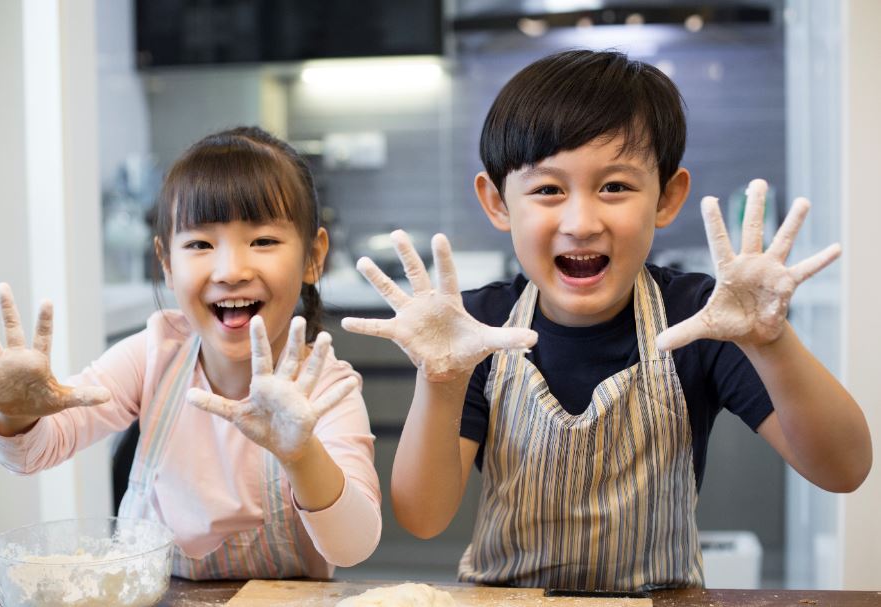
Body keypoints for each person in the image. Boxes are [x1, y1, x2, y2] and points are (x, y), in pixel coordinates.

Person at [340, 50, 872, 591]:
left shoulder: (702, 317)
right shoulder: (476, 327)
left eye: (615, 186)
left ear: (667, 197)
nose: (581, 222)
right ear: (498, 202)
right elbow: (422, 517)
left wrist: (772, 343)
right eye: (548, 189)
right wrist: (440, 382)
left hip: (660, 601)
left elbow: (844, 469)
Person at [0, 126, 382, 580]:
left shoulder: (326, 389)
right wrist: (15, 415)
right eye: (200, 244)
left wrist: (301, 454)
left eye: (262, 241)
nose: (231, 270)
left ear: (313, 256)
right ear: (166, 262)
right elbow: (30, 455)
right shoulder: (153, 355)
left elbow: (353, 546)